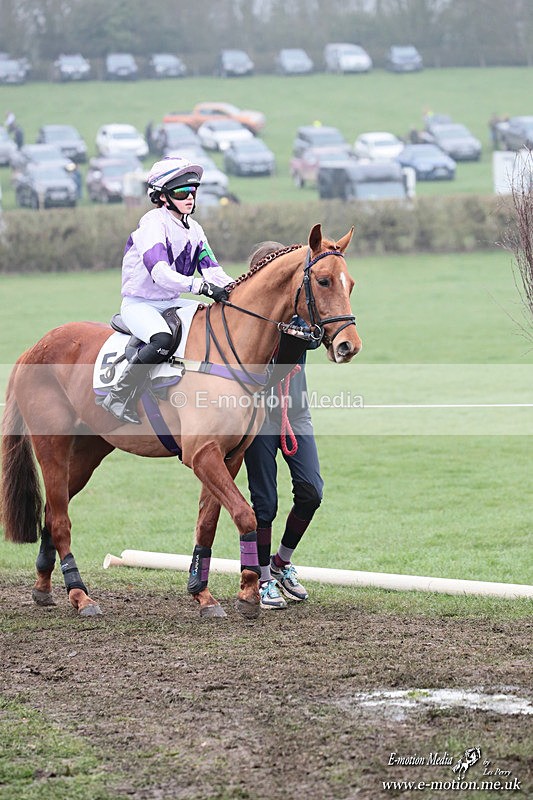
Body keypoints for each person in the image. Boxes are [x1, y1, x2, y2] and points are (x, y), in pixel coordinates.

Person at [101, 156, 233, 424]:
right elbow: (160, 273)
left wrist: (239, 288)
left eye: (193, 192)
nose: (189, 198)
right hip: (139, 304)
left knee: (213, 317)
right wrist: (200, 286)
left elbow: (212, 270)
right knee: (161, 339)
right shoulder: (152, 223)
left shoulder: (194, 229)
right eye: (182, 192)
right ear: (162, 196)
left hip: (171, 302)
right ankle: (118, 395)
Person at [244, 242, 324, 610]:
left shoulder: (301, 311)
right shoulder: (249, 325)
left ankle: (281, 562)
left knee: (311, 492)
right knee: (265, 503)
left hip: (296, 415)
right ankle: (260, 577)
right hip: (258, 416)